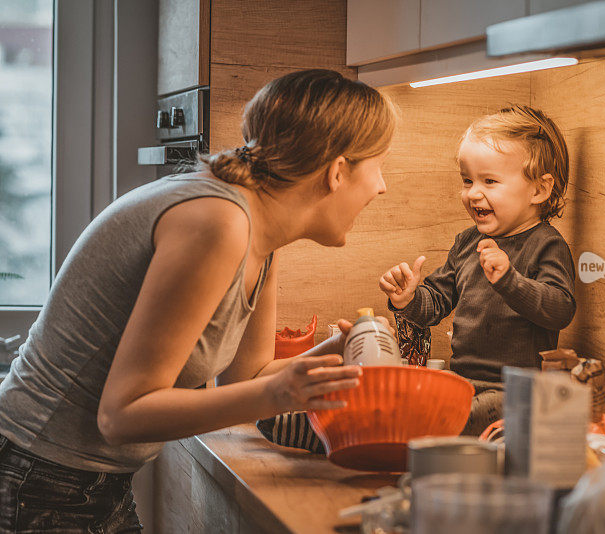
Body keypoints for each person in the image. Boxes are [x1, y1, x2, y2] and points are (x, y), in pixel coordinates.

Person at [0, 69, 397, 532]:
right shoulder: (219, 223)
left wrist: (330, 358)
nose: (383, 186)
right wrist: (276, 393)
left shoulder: (259, 232)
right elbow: (121, 415)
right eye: (379, 166)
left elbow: (246, 378)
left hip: (82, 480)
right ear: (337, 171)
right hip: (36, 478)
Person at [379, 105, 576, 435]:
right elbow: (436, 303)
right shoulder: (468, 242)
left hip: (515, 394)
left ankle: (390, 432)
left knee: (442, 418)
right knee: (399, 398)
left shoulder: (546, 244)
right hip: (461, 386)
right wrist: (408, 299)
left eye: (490, 181)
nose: (473, 193)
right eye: (467, 180)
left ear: (539, 190)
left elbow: (560, 309)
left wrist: (510, 280)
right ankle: (321, 424)